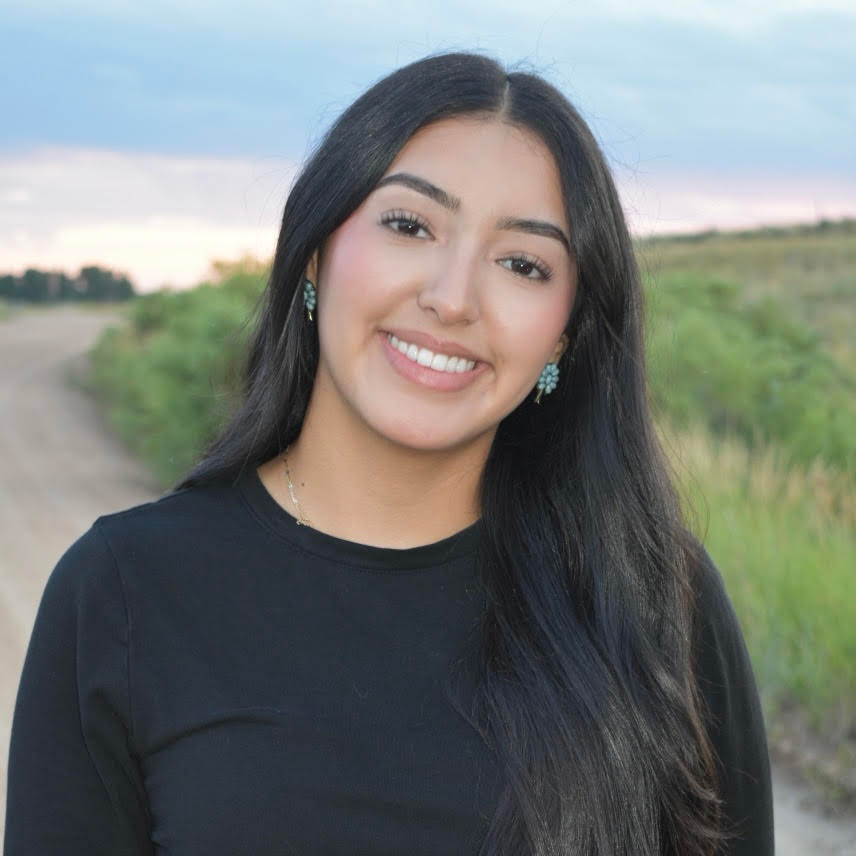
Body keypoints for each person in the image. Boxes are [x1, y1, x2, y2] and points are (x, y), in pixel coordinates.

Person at [4, 52, 773, 855]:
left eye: (523, 264)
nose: (452, 299)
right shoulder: (126, 593)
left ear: (564, 335)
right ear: (315, 252)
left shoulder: (649, 601)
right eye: (410, 226)